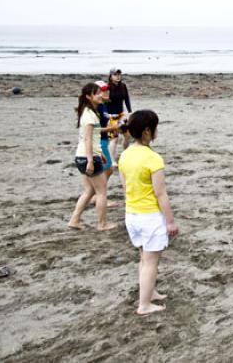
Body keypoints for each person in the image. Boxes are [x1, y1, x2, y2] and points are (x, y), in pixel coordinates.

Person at [119, 110, 179, 315]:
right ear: (147, 131)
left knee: (144, 257)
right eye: (155, 127)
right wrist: (170, 222)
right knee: (151, 261)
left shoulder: (125, 154)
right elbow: (161, 194)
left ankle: (150, 292)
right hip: (149, 216)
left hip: (132, 214)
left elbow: (124, 186)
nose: (157, 131)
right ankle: (144, 304)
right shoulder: (153, 159)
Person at [68, 83, 117, 231]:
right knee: (101, 192)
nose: (101, 96)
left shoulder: (88, 112)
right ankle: (102, 224)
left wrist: (110, 128)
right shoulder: (89, 114)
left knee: (89, 191)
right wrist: (91, 160)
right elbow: (88, 139)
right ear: (89, 96)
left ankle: (74, 220)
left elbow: (94, 132)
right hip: (87, 158)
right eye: (97, 94)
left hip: (82, 156)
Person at [107, 68, 132, 164]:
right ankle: (112, 160)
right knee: (114, 138)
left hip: (121, 114)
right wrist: (106, 116)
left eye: (119, 74)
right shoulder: (107, 87)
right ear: (110, 76)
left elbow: (126, 99)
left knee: (127, 135)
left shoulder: (123, 86)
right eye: (115, 75)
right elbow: (104, 102)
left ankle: (125, 155)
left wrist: (130, 112)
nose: (118, 76)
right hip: (111, 116)